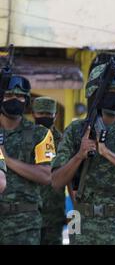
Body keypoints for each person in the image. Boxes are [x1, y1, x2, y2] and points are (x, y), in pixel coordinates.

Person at [51, 63, 115, 245]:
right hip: (84, 223)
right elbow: (56, 181)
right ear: (96, 92)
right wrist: (79, 156)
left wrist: (106, 153)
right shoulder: (76, 130)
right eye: (110, 89)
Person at [0, 76, 56, 244]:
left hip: (24, 224)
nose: (15, 100)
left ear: (26, 100)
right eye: (9, 95)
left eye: (20, 96)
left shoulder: (40, 134)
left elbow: (47, 176)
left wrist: (6, 160)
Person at [32, 96, 66, 245]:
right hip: (28, 213)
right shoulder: (24, 138)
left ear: (55, 116)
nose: (44, 117)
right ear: (33, 114)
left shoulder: (64, 142)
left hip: (54, 213)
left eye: (48, 114)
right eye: (41, 114)